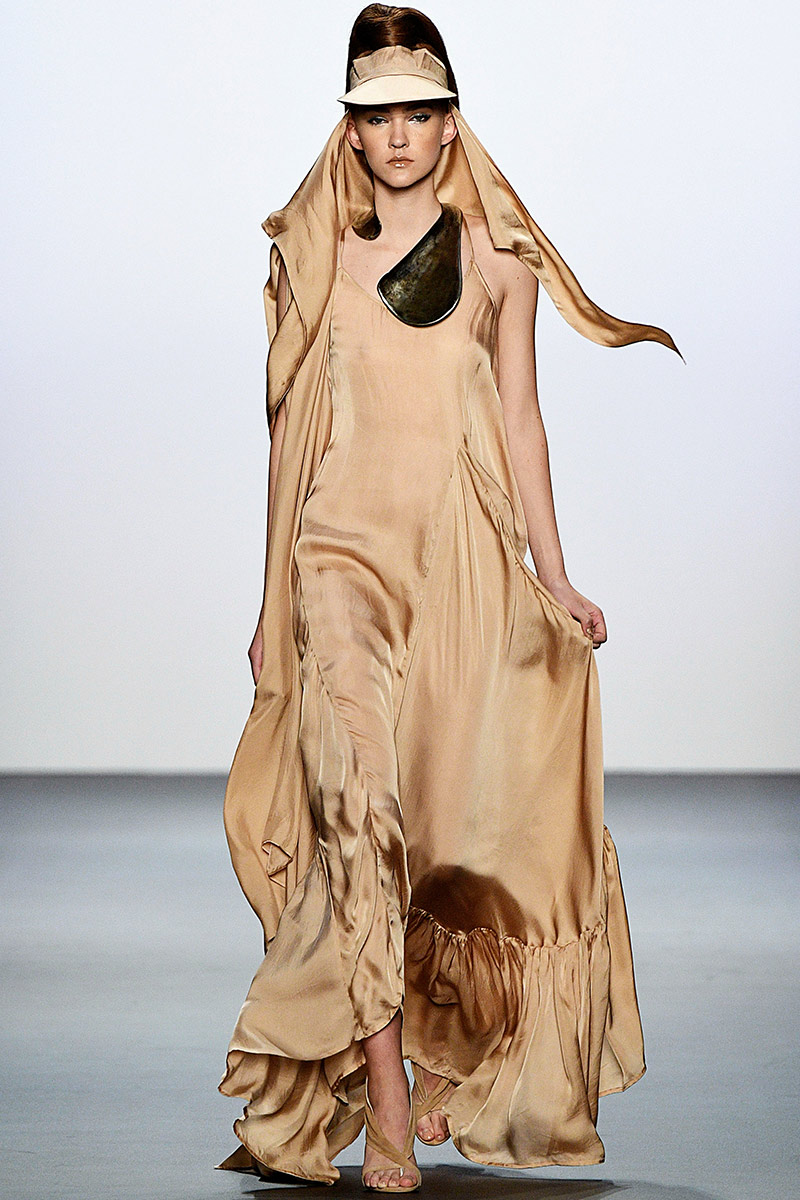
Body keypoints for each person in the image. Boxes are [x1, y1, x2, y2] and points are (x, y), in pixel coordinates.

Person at [217, 4, 681, 1193]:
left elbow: (520, 419)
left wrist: (552, 572)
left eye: (418, 112)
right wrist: (271, 600)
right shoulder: (312, 256)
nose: (398, 135)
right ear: (350, 130)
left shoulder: (498, 263)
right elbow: (285, 439)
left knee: (455, 831)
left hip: (462, 563)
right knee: (357, 815)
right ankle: (383, 1099)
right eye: (376, 116)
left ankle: (440, 1053)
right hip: (339, 565)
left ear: (449, 122)